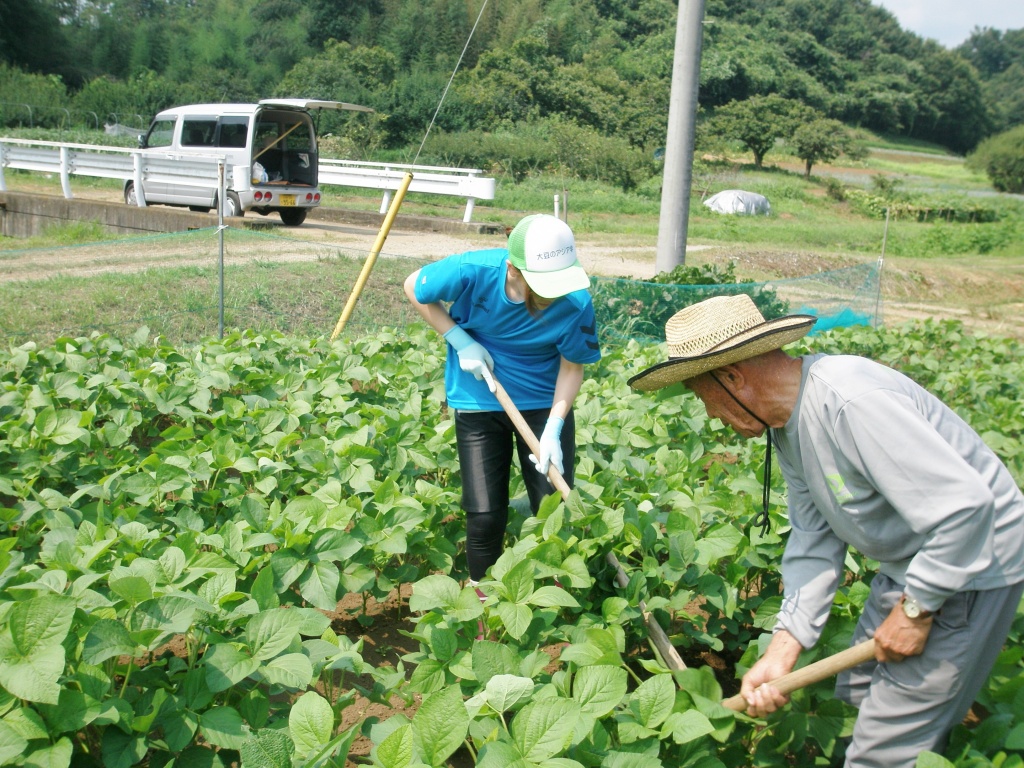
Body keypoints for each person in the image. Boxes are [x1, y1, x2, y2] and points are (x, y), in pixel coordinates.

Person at [626, 293, 1024, 768]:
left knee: (887, 747)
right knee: (855, 699)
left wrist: (918, 609)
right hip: (910, 562)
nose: (710, 415)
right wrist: (782, 648)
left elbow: (965, 507)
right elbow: (813, 538)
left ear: (733, 378)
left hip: (970, 566)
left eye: (701, 396)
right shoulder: (786, 423)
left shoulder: (851, 401)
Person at [404, 214, 601, 584]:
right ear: (513, 269)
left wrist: (554, 427)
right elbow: (414, 285)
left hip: (545, 404)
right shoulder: (473, 271)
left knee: (552, 507)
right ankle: (485, 604)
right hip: (479, 397)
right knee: (484, 513)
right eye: (544, 285)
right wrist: (460, 340)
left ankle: (549, 603)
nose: (555, 295)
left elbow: (572, 368)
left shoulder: (574, 302)